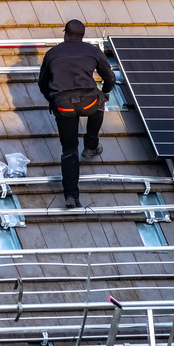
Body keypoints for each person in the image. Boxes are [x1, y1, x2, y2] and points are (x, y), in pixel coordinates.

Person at [38, 20, 116, 209]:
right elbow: (109, 78)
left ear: (65, 34)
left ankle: (71, 196)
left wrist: (54, 100)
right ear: (82, 35)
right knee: (100, 100)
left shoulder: (52, 54)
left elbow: (43, 84)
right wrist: (105, 90)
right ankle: (90, 145)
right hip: (89, 103)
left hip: (63, 106)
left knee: (69, 150)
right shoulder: (93, 51)